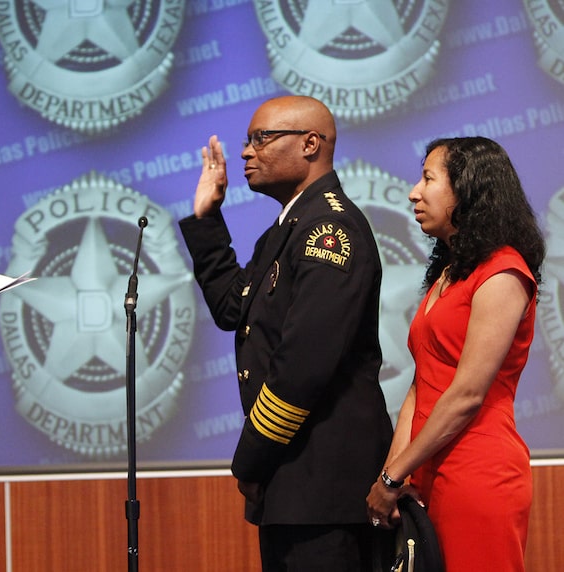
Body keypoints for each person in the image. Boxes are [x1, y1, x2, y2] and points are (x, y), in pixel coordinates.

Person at [179, 95, 393, 571]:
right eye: (247, 141)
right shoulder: (292, 226)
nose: (246, 153)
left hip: (323, 485)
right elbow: (233, 308)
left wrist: (250, 461)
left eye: (262, 138)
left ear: (311, 144)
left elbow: (301, 368)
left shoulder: (328, 231)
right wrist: (206, 219)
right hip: (295, 481)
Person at [365, 137, 545, 571]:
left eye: (428, 178)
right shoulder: (450, 271)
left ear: (469, 190)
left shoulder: (504, 272)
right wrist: (393, 476)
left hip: (477, 472)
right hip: (427, 470)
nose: (414, 191)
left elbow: (466, 395)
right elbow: (418, 385)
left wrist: (391, 479)